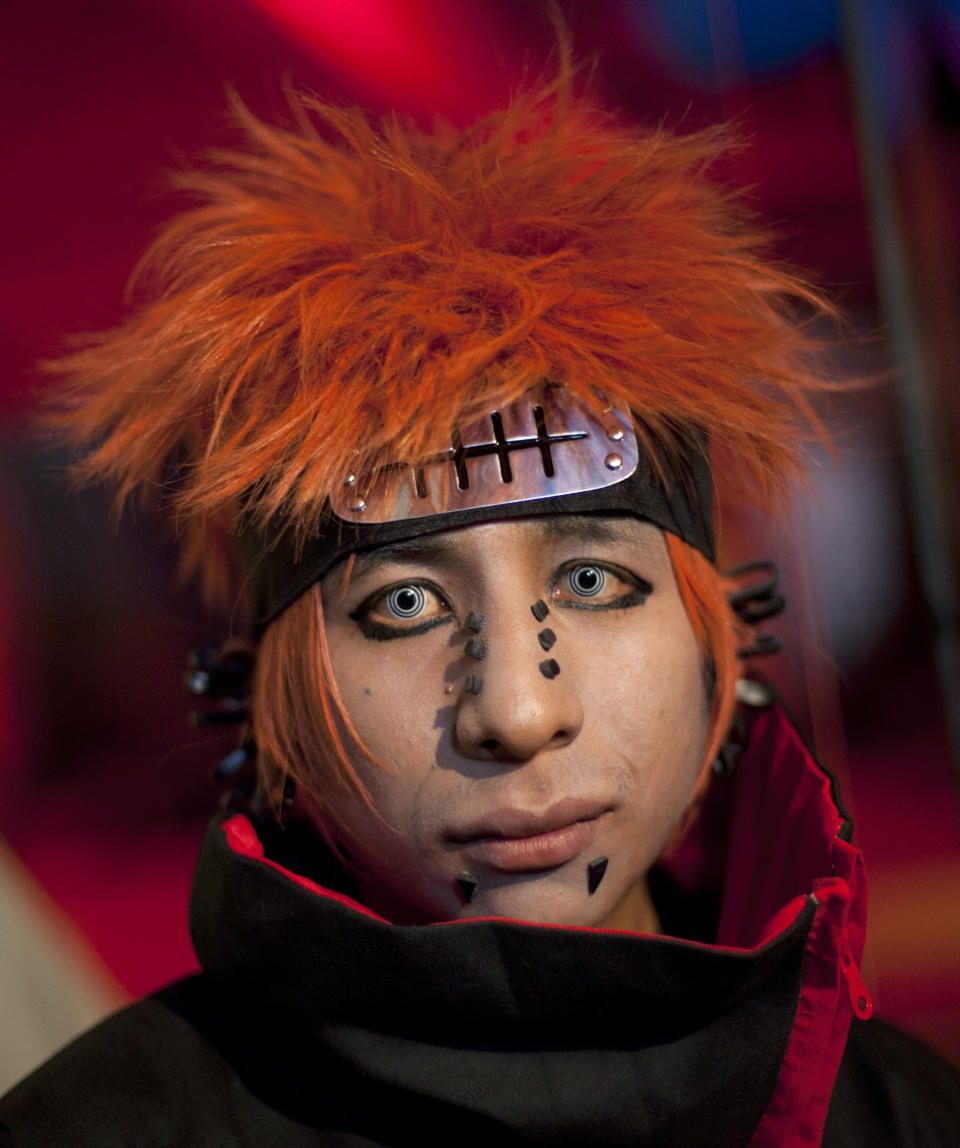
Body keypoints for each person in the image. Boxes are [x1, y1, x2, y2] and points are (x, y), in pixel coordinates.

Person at [2, 74, 959, 1147]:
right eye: (405, 602)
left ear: (721, 635)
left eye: (594, 581)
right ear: (273, 710)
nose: (514, 710)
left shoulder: (907, 1117)